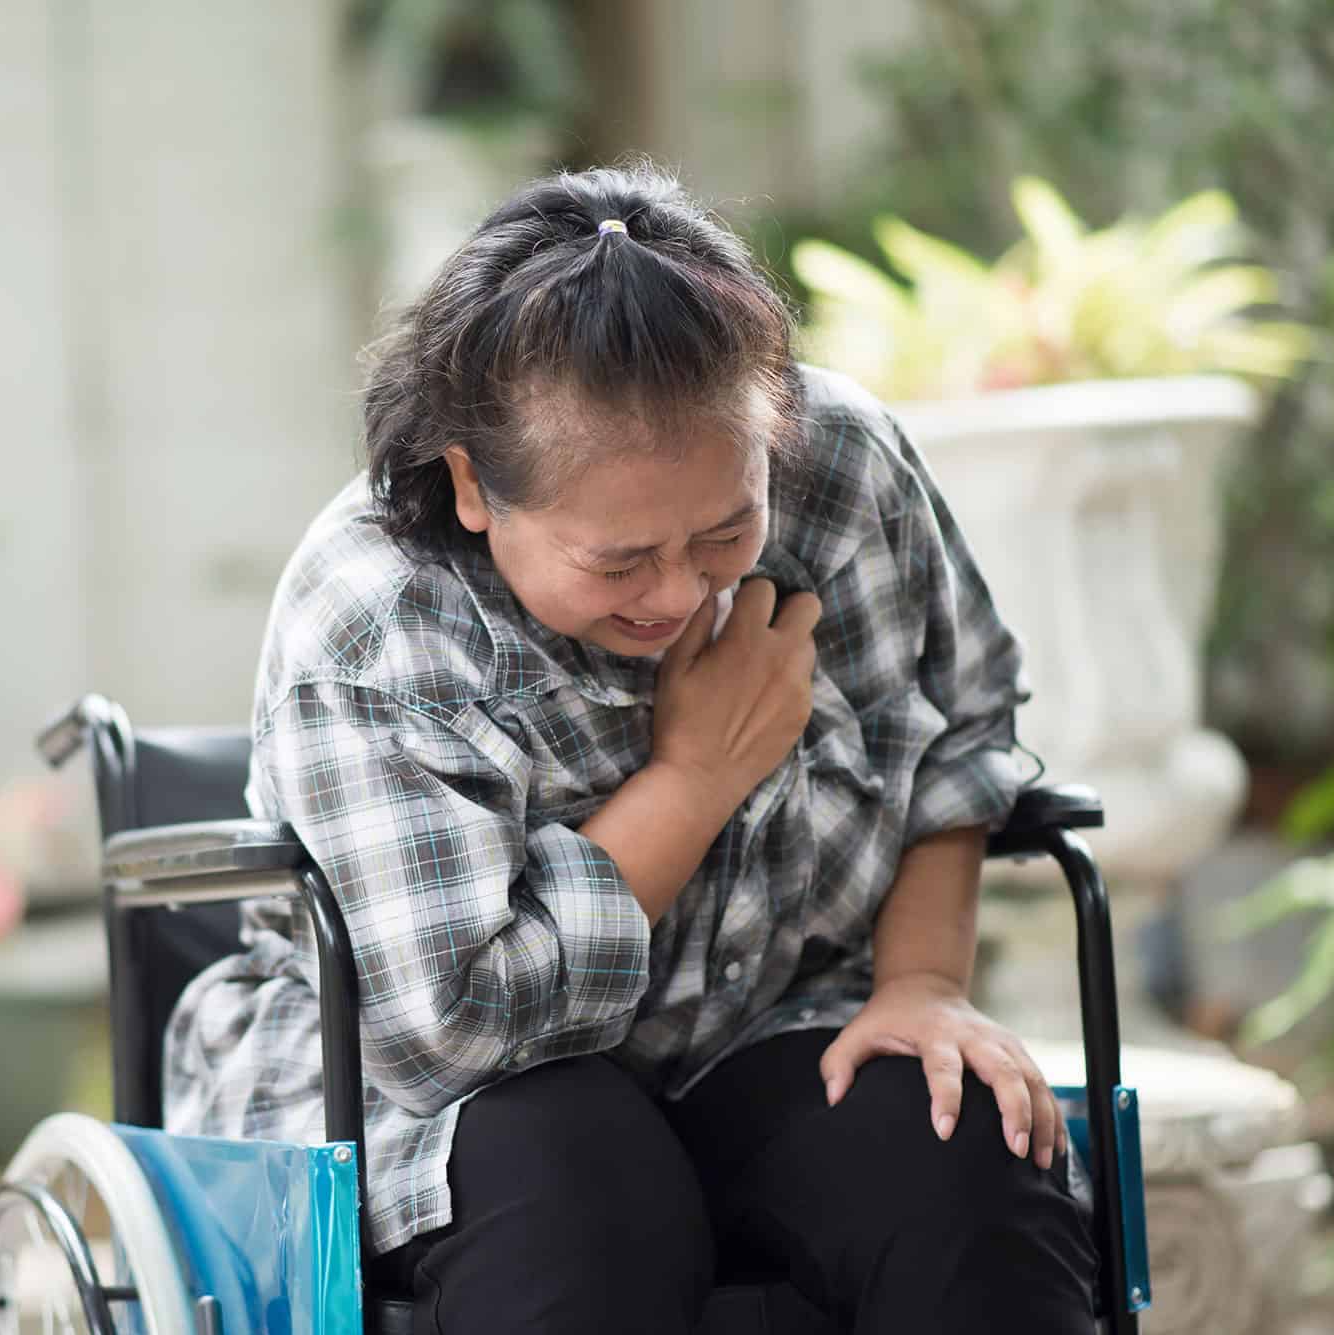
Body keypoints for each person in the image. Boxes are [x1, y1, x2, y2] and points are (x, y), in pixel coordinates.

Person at [164, 163, 1097, 1334]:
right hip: (426, 1089)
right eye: (617, 560)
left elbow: (960, 733)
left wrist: (922, 985)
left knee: (961, 1147)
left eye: (724, 531)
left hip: (763, 1015)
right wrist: (694, 780)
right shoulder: (372, 617)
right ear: (471, 487)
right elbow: (450, 1030)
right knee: (585, 1182)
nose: (678, 591)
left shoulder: (846, 464)